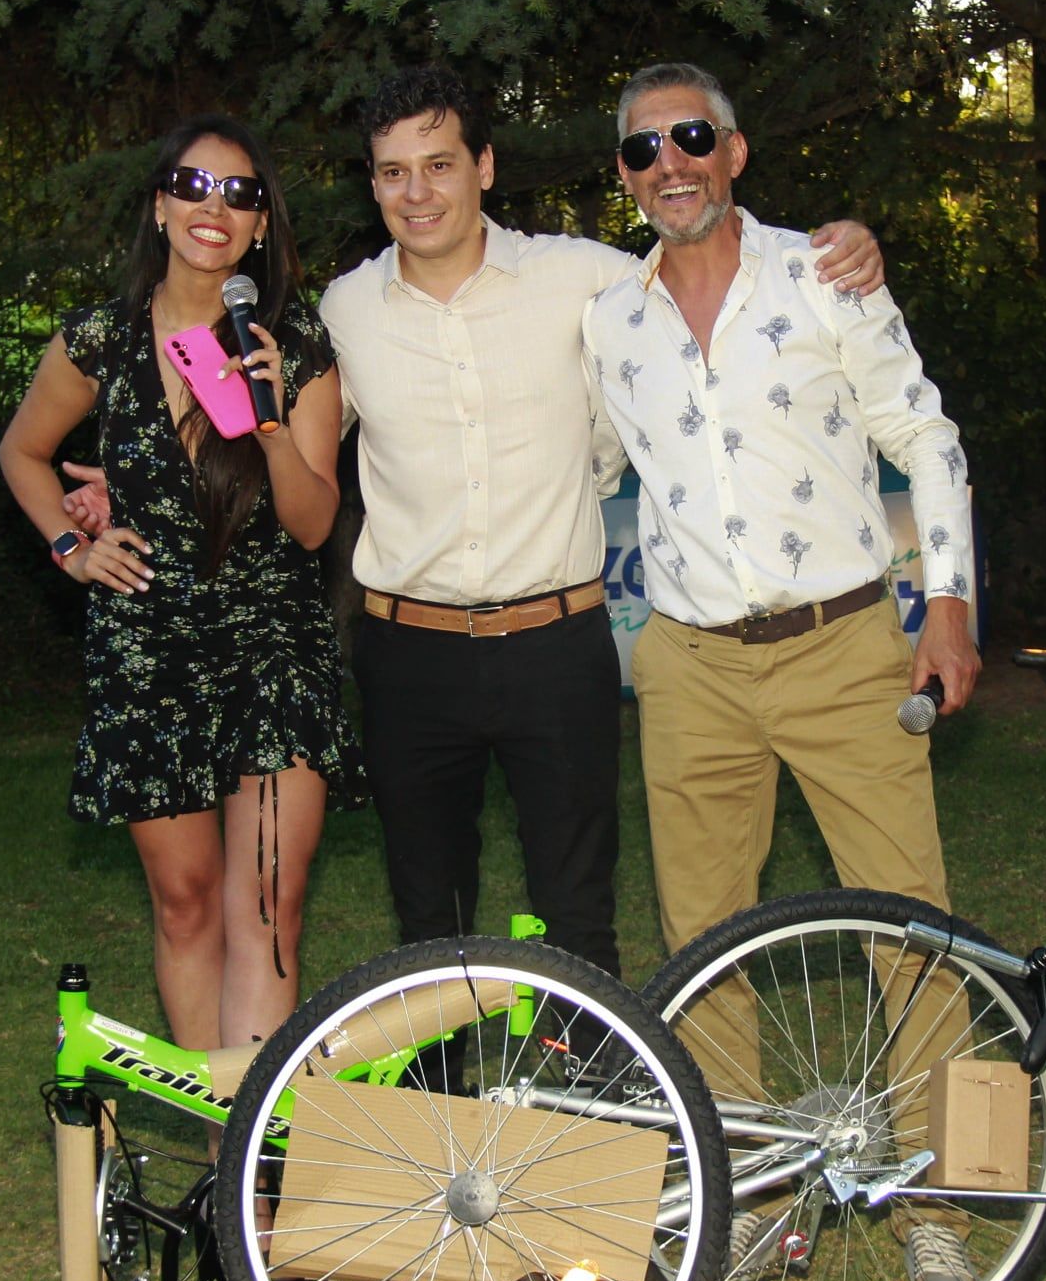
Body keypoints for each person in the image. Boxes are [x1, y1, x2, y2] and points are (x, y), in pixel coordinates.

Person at [68, 67, 882, 982]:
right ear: (373, 184)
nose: (417, 193)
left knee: (579, 915)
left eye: (440, 165)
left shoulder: (586, 277)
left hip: (557, 644)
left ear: (485, 167)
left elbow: (704, 250)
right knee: (427, 924)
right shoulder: (342, 312)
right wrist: (125, 490)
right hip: (407, 655)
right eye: (392, 172)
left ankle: (589, 1116)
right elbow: (278, 466)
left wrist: (834, 247)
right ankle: (441, 1118)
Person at [580, 60, 980, 1281]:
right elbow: (589, 468)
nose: (670, 164)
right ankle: (749, 1205)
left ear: (736, 150)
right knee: (701, 949)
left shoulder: (825, 273)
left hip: (846, 644)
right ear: (628, 175)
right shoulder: (611, 319)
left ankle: (950, 1208)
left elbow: (924, 436)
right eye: (644, 149)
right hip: (690, 666)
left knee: (911, 929)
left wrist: (953, 602)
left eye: (691, 137)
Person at [0, 114, 358, 1063]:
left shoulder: (297, 343)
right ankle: (217, 1147)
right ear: (160, 207)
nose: (216, 209)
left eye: (241, 195)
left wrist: (273, 422)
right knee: (188, 903)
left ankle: (252, 1171)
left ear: (260, 227)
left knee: (267, 906)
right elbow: (24, 452)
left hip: (273, 649)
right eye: (195, 187)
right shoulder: (100, 340)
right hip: (148, 655)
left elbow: (315, 526)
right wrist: (67, 551)